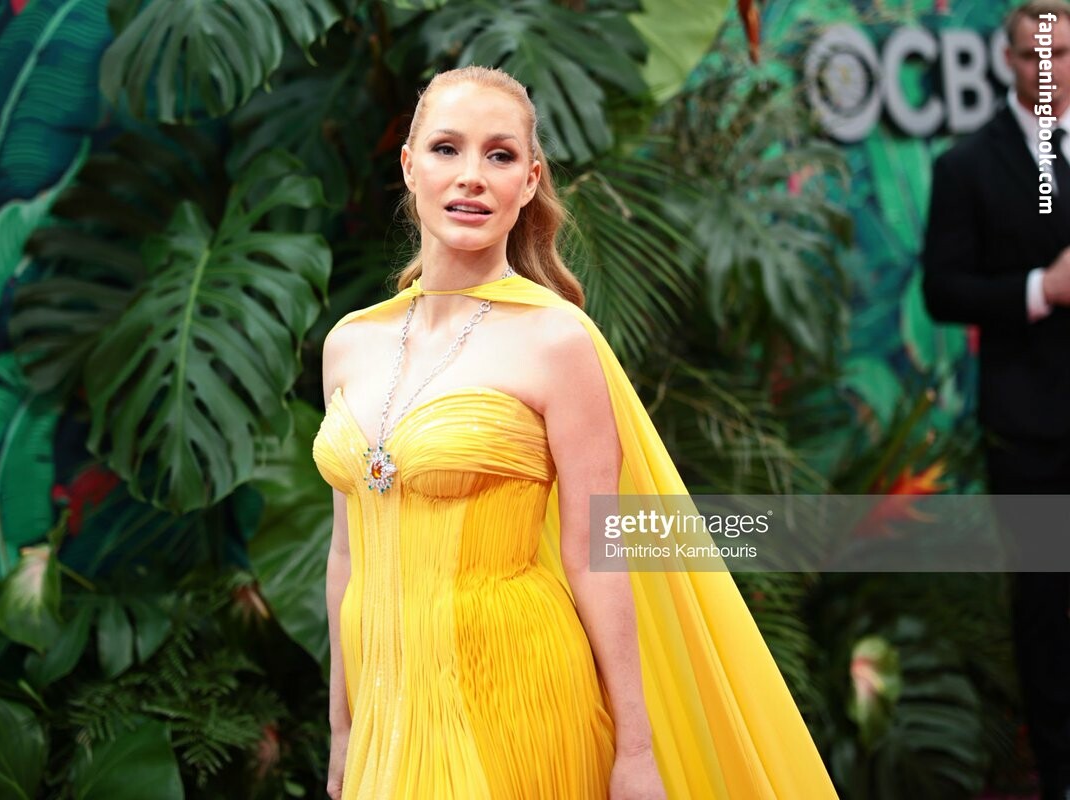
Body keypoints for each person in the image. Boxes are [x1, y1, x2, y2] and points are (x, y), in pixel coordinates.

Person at [313, 65, 837, 799]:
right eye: (446, 148)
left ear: (529, 181)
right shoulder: (349, 344)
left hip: (519, 697)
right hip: (390, 722)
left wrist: (636, 752)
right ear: (408, 165)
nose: (471, 176)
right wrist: (342, 727)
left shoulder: (557, 342)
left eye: (500, 155)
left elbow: (598, 556)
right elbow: (346, 553)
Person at [922, 3, 1070, 798]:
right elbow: (943, 291)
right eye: (1035, 56)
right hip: (1032, 431)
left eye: (1064, 55)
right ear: (1007, 60)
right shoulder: (967, 166)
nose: (1051, 72)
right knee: (1044, 611)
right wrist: (1041, 288)